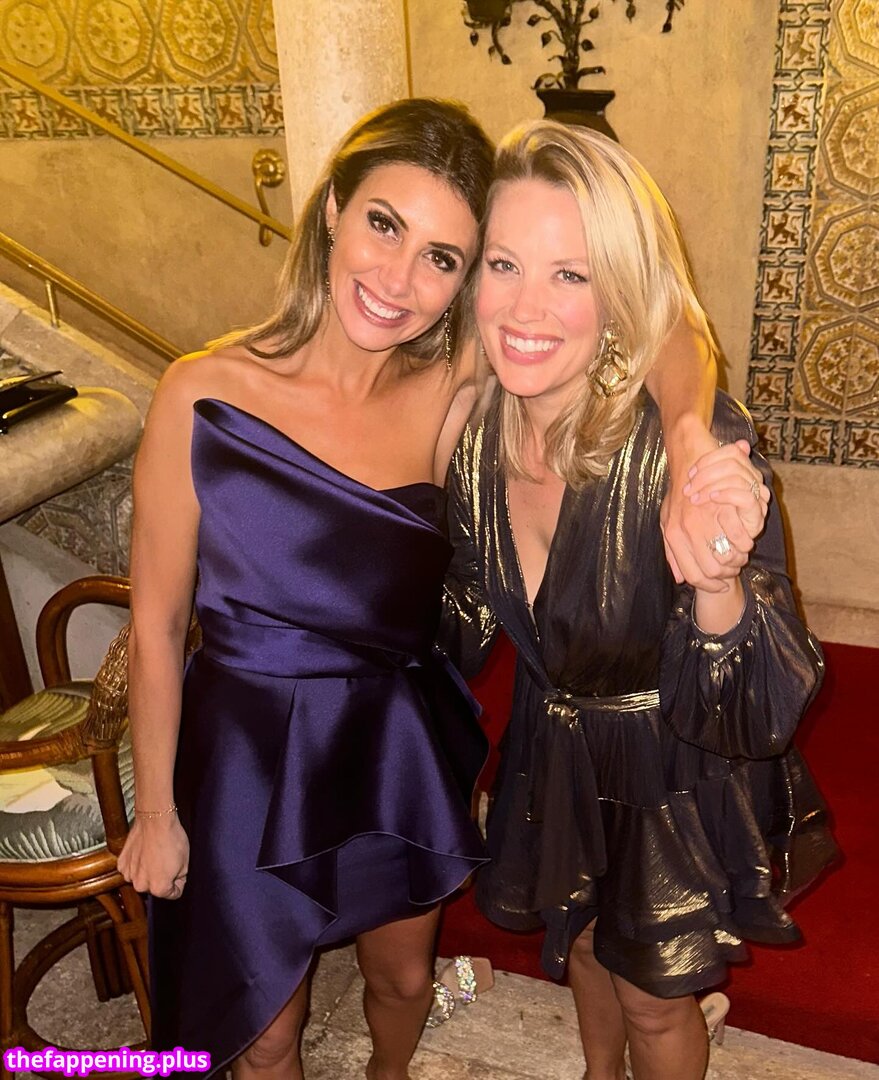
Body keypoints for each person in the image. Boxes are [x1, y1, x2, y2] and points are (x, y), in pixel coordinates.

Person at [118, 99, 729, 1080]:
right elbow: (153, 625)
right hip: (244, 753)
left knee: (402, 984)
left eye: (442, 257)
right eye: (383, 224)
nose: (398, 280)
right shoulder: (201, 392)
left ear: (465, 281)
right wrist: (156, 812)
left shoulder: (456, 386)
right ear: (333, 210)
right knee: (264, 1034)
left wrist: (691, 434)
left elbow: (665, 323)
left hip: (387, 746)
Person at [440, 120, 838, 1080]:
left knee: (655, 998)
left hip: (673, 765)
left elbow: (756, 710)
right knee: (579, 943)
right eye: (503, 264)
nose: (525, 306)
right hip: (554, 744)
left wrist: (717, 582)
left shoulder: (682, 448)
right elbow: (460, 619)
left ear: (619, 294)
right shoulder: (471, 436)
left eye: (570, 275)